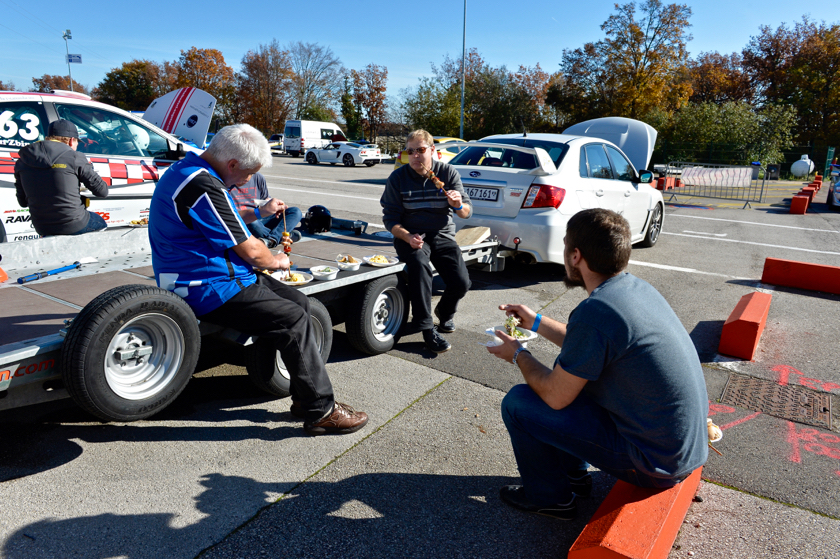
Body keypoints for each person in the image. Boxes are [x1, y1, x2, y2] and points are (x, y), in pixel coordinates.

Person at [488, 208, 708, 520]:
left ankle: (549, 498)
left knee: (519, 403)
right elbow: (589, 348)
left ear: (575, 255)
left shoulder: (597, 311)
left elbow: (554, 395)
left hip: (654, 465)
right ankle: (575, 475)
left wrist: (517, 354)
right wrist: (536, 321)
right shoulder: (634, 289)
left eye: (566, 246)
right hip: (679, 450)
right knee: (576, 376)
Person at [148, 123, 368, 436]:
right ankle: (320, 411)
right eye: (249, 173)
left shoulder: (192, 171)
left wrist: (259, 212)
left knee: (300, 303)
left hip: (222, 275)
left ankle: (303, 396)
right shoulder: (202, 185)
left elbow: (223, 220)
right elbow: (252, 252)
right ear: (232, 164)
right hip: (205, 287)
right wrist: (276, 260)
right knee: (293, 320)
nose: (248, 180)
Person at [380, 129, 472, 353]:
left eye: (420, 150)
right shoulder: (398, 178)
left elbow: (466, 213)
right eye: (410, 151)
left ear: (432, 150)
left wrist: (458, 204)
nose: (415, 156)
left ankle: (445, 312)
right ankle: (427, 328)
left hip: (441, 233)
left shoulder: (448, 173)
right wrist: (407, 236)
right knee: (420, 269)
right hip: (410, 235)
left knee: (461, 282)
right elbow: (390, 219)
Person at [14, 119, 109, 236]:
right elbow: (102, 191)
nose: (76, 146)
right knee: (100, 222)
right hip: (74, 224)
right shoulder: (74, 157)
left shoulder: (22, 160)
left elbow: (22, 202)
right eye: (76, 143)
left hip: (42, 227)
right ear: (70, 141)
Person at [228, 172, 303, 248]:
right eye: (245, 173)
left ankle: (271, 239)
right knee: (253, 222)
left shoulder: (258, 177)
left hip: (261, 215)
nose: (247, 178)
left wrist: (274, 206)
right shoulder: (226, 182)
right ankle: (279, 237)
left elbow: (265, 199)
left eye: (251, 174)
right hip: (244, 219)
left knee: (295, 211)